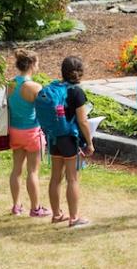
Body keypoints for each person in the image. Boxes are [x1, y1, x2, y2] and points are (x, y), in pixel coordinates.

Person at [47, 57, 95, 228]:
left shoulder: (54, 88)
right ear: (80, 72)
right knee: (72, 179)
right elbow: (82, 121)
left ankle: (56, 215)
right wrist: (89, 142)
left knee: (55, 178)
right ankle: (74, 218)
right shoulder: (76, 92)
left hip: (54, 137)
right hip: (69, 138)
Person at [8, 49, 51, 217]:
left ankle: (16, 206)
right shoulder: (34, 87)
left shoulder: (9, 84)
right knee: (32, 171)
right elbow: (45, 109)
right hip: (32, 132)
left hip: (14, 131)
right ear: (32, 64)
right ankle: (35, 208)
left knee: (16, 170)